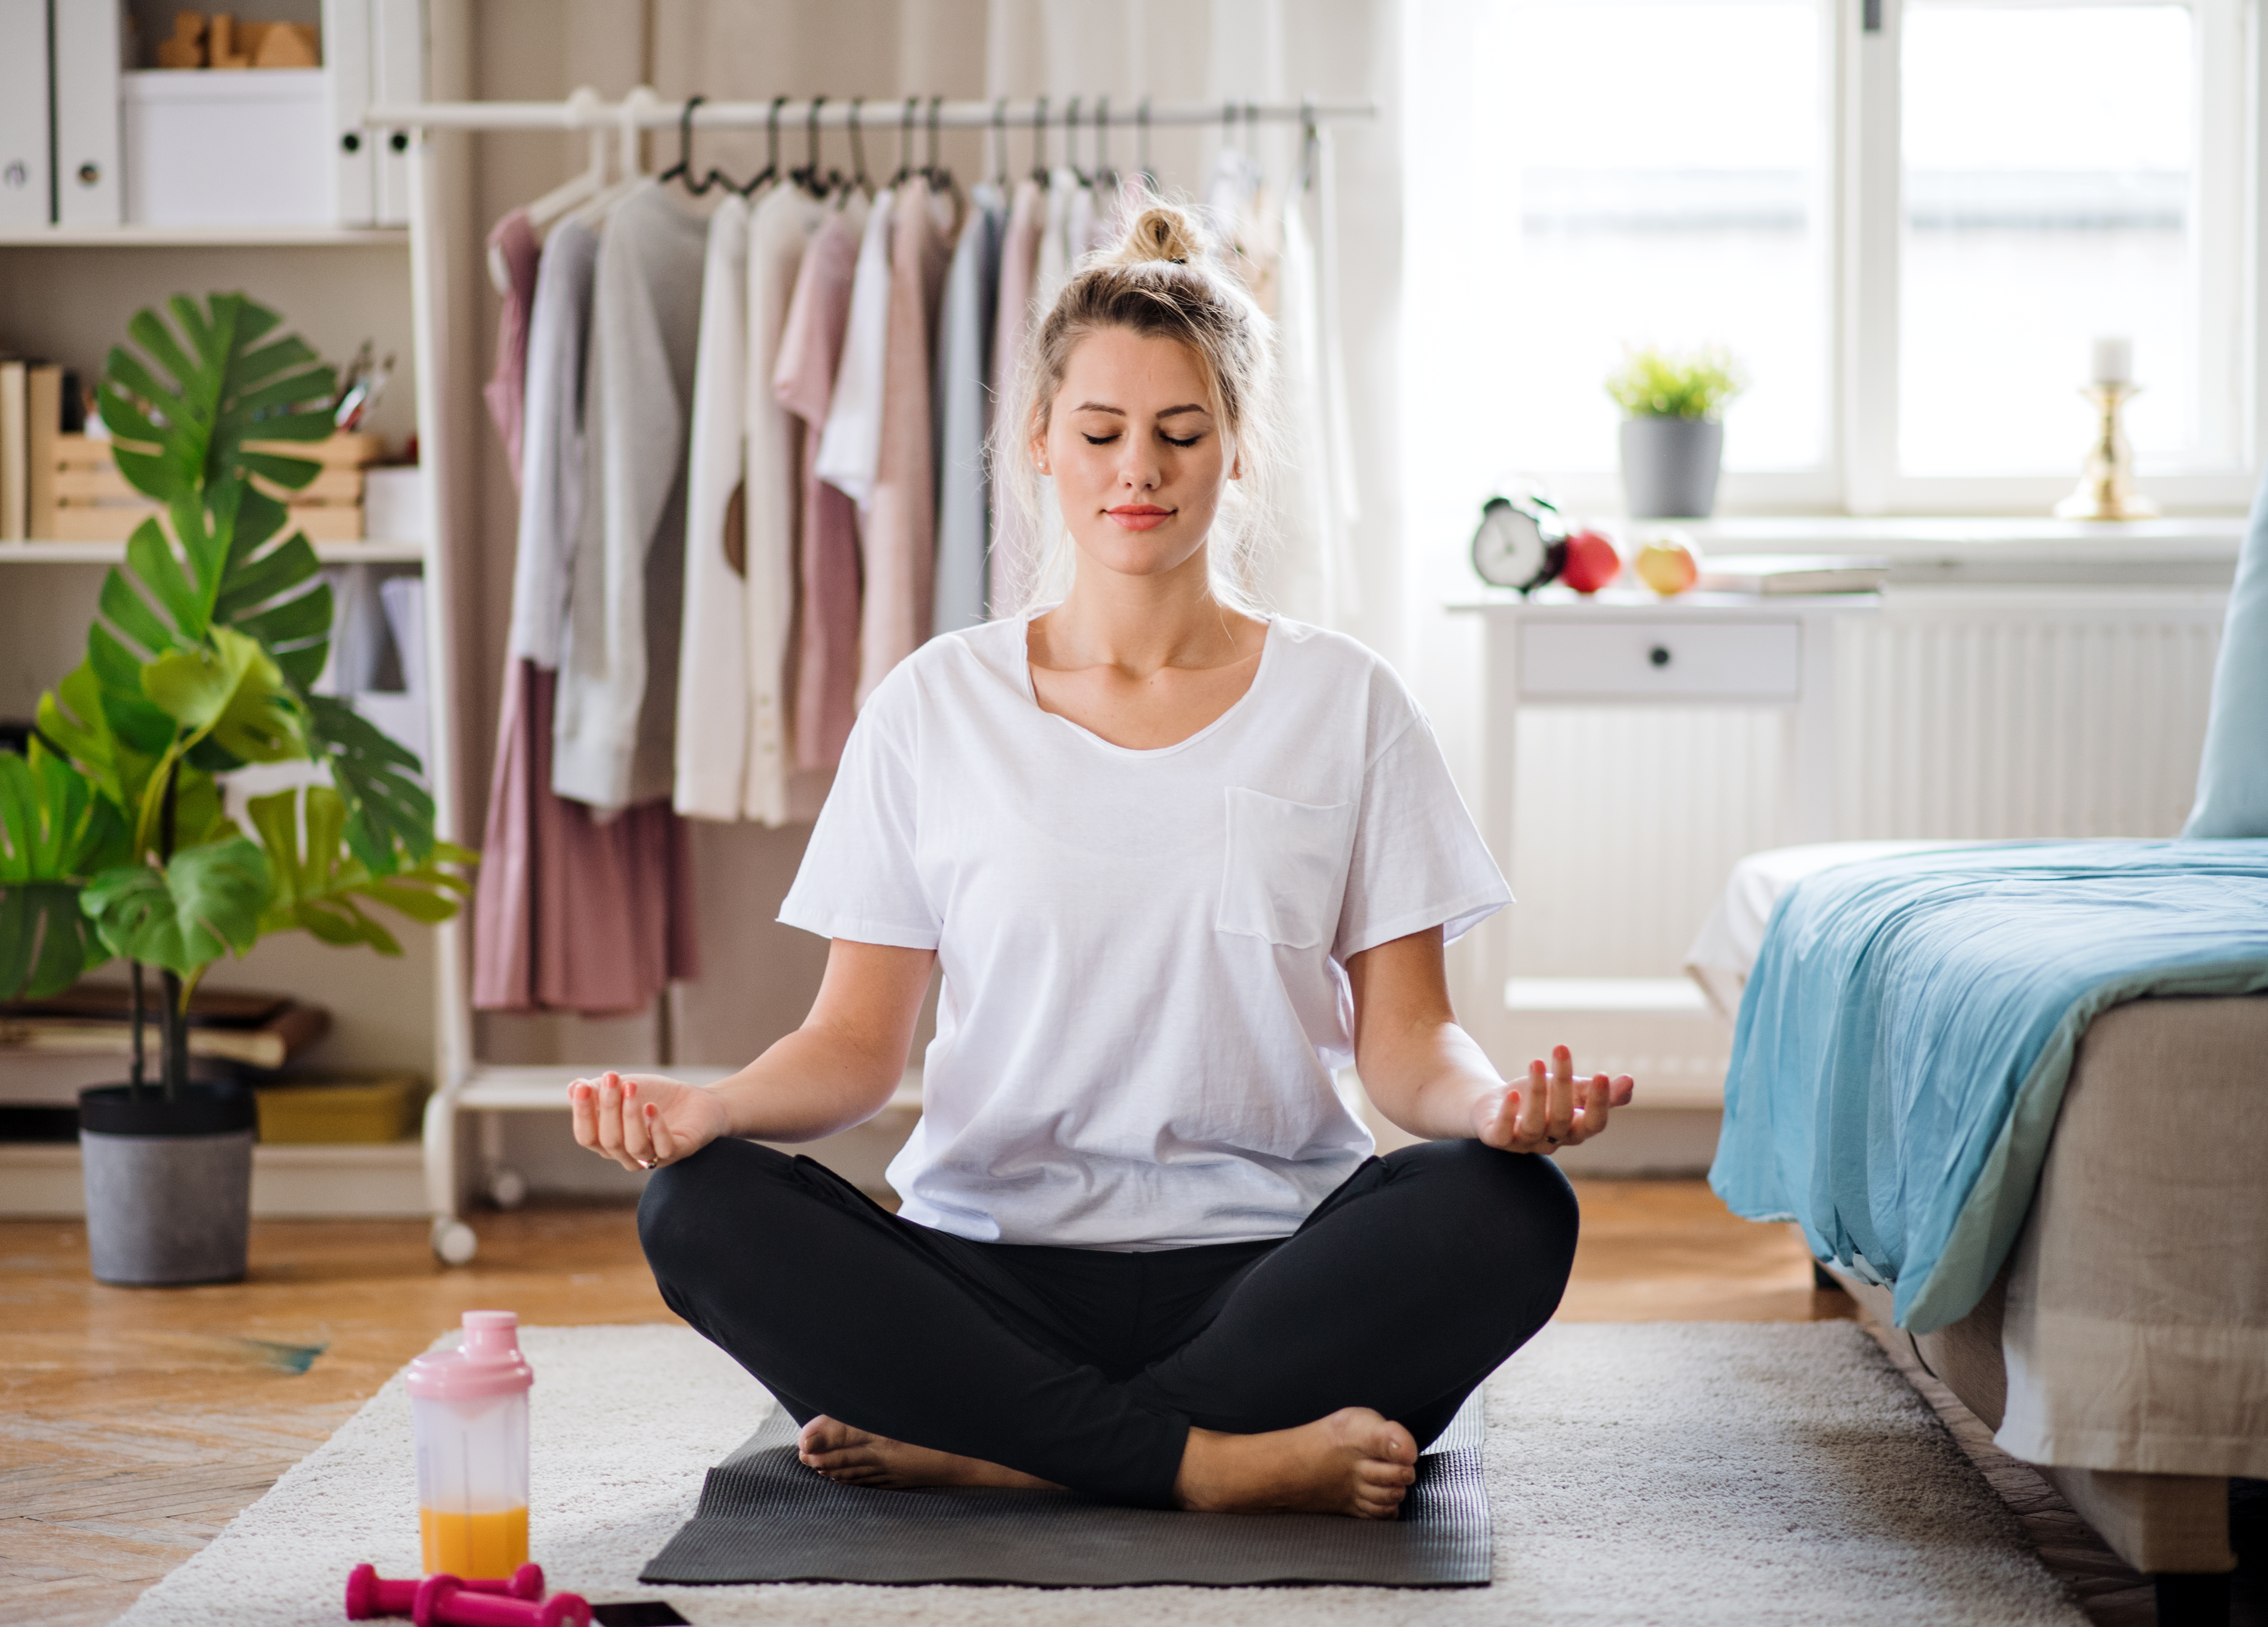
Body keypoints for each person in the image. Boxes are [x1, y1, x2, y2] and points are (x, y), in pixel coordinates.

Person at [570, 202, 1635, 1521]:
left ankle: (1001, 1448)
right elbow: (854, 1046)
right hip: (988, 1269)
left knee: (1514, 1211)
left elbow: (1411, 1043)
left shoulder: (1347, 703)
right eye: (1101, 433)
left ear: (1235, 453)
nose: (1141, 468)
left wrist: (1494, 1114)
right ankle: (1207, 1464)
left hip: (1267, 1268)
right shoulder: (931, 704)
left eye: (1182, 435)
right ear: (1040, 447)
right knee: (696, 1210)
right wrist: (712, 1110)